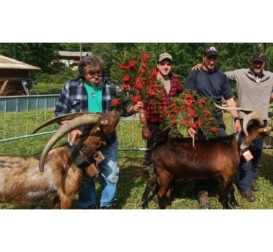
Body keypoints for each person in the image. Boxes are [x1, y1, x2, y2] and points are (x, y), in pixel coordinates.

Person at [55, 55, 142, 209]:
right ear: (83, 73)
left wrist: (132, 108)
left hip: (106, 139)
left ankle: (107, 204)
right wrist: (73, 128)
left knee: (111, 172)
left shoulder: (112, 86)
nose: (96, 76)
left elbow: (125, 106)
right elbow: (60, 113)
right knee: (86, 174)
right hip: (81, 141)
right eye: (91, 73)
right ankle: (88, 206)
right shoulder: (71, 86)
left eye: (99, 72)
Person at [184, 46, 241, 208]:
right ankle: (202, 192)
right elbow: (187, 98)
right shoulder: (194, 74)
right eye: (209, 57)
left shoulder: (221, 76)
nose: (211, 61)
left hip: (217, 123)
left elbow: (229, 99)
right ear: (203, 57)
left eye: (214, 58)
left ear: (217, 59)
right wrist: (189, 122)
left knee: (221, 156)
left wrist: (236, 118)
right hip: (199, 122)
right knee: (201, 158)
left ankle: (222, 188)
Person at [224, 52, 273, 202]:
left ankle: (252, 178)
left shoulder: (271, 76)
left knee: (257, 150)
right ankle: (244, 185)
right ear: (251, 62)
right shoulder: (240, 74)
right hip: (244, 121)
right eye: (255, 62)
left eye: (260, 62)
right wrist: (201, 66)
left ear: (264, 64)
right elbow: (219, 75)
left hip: (260, 121)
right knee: (244, 152)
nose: (258, 65)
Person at [140, 52, 183, 171]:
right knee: (153, 152)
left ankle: (169, 175)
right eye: (163, 63)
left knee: (175, 147)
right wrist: (144, 127)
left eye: (168, 64)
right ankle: (153, 180)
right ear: (157, 65)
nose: (166, 66)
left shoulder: (175, 80)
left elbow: (182, 93)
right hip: (154, 123)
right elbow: (142, 106)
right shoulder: (150, 81)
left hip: (170, 123)